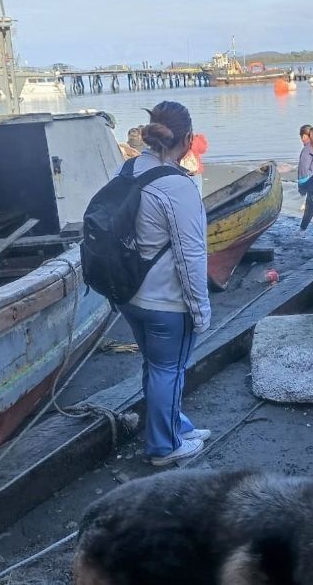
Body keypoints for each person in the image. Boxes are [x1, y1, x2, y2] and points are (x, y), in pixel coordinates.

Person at [119, 101, 212, 466]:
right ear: (187, 138)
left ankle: (175, 426)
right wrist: (200, 310)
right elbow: (192, 257)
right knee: (168, 369)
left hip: (130, 295)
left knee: (156, 366)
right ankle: (163, 446)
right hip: (166, 302)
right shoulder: (178, 187)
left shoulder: (127, 170)